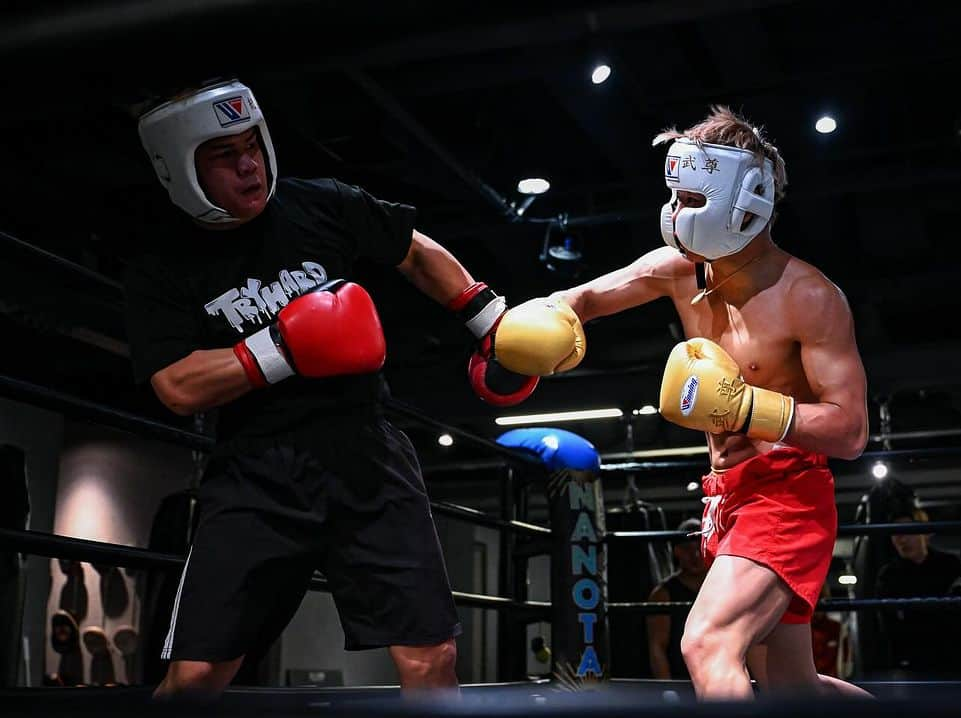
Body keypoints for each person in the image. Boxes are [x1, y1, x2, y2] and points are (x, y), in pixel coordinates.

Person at [124, 79, 557, 701]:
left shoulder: (320, 204)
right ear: (180, 170)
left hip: (367, 455)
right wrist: (281, 350)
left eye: (252, 144)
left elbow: (412, 250)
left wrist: (489, 320)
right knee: (195, 677)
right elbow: (175, 387)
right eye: (224, 155)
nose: (249, 164)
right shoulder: (160, 264)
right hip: (255, 472)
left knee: (432, 657)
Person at [490, 105, 871, 699]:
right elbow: (581, 298)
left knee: (706, 642)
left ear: (747, 198)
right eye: (677, 197)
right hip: (726, 497)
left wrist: (747, 407)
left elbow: (850, 431)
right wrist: (518, 332)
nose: (678, 215)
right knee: (793, 688)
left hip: (788, 497)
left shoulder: (811, 298)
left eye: (696, 200)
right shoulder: (679, 271)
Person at [874, 508, 961, 679]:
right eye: (895, 534)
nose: (902, 539)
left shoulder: (950, 565)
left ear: (925, 533)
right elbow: (887, 624)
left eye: (907, 532)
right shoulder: (889, 575)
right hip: (912, 661)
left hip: (951, 658)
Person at [646, 518, 707, 680]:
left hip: (719, 674)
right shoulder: (663, 594)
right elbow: (657, 647)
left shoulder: (725, 587)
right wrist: (668, 690)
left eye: (699, 548)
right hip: (682, 681)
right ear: (677, 551)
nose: (695, 555)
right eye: (687, 548)